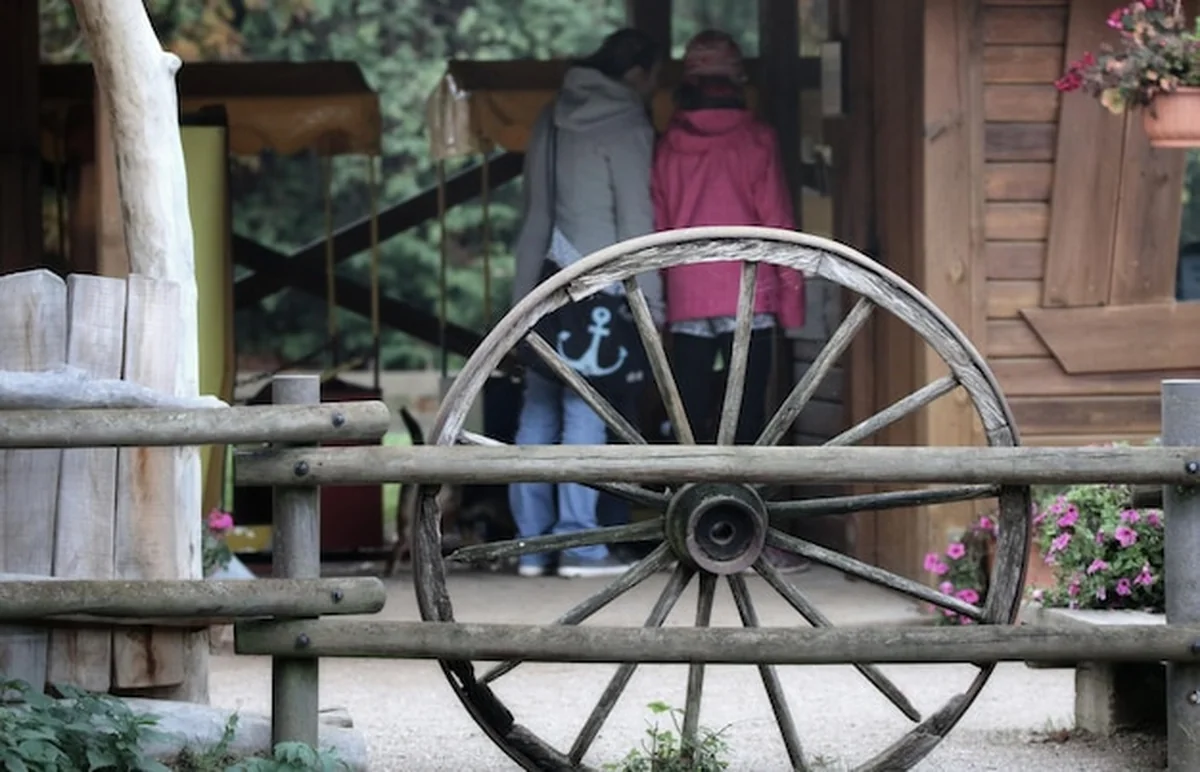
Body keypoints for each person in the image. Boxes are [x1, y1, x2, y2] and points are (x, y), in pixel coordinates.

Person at [508, 28, 665, 579]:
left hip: (548, 277)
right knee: (586, 411)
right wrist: (653, 302)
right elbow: (636, 220)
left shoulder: (551, 116)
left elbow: (534, 210)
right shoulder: (628, 123)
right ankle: (578, 544)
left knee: (537, 410)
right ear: (637, 73)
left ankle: (531, 547)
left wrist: (520, 301)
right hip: (603, 282)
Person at [650, 29, 808, 572]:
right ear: (737, 81)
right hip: (750, 292)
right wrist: (792, 305)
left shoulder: (669, 145)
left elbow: (660, 227)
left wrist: (661, 302)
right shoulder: (757, 139)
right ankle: (753, 532)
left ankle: (687, 528)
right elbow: (777, 220)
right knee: (751, 418)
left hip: (688, 293)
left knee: (691, 417)